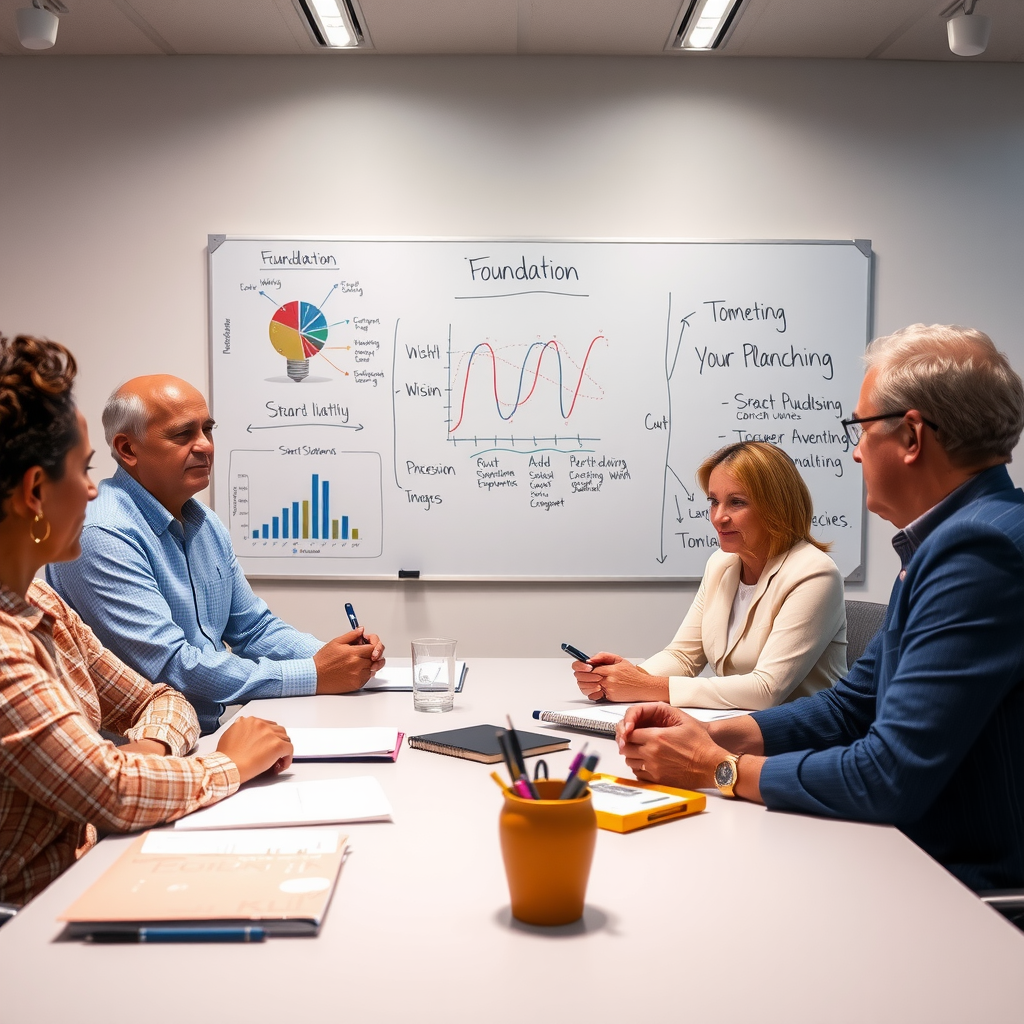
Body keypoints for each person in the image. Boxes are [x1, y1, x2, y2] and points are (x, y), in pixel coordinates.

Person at [617, 324, 1024, 891]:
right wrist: (718, 734)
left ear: (911, 437)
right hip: (911, 852)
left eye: (860, 428)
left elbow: (887, 775)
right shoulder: (957, 539)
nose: (855, 450)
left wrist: (716, 768)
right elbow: (850, 710)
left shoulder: (978, 552)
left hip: (953, 885)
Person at [0, 334, 294, 905]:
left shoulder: (46, 610)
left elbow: (162, 700)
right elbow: (110, 791)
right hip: (31, 920)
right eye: (82, 470)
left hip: (87, 871)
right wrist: (228, 765)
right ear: (36, 490)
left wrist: (147, 751)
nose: (92, 489)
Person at [47, 374, 385, 734]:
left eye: (207, 430)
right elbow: (171, 666)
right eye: (183, 435)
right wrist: (315, 673)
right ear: (128, 449)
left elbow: (253, 628)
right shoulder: (102, 534)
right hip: (138, 754)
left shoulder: (203, 521)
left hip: (204, 735)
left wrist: (342, 657)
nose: (205, 446)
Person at [572, 441, 846, 709]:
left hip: (803, 741)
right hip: (737, 728)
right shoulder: (721, 564)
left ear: (777, 507)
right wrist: (622, 678)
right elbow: (683, 656)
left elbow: (766, 690)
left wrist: (643, 686)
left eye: (736, 502)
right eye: (714, 501)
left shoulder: (814, 573)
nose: (718, 517)